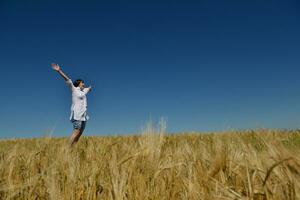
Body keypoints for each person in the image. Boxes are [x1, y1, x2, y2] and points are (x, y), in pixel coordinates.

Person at [51, 63, 92, 146]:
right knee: (76, 132)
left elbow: (89, 89)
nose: (83, 84)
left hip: (83, 116)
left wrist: (90, 88)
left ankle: (73, 150)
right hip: (77, 115)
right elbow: (67, 79)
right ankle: (66, 149)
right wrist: (59, 71)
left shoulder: (83, 91)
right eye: (82, 83)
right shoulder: (74, 89)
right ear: (78, 84)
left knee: (79, 134)